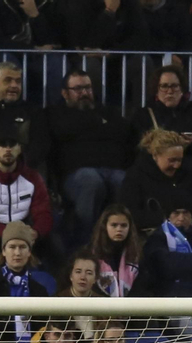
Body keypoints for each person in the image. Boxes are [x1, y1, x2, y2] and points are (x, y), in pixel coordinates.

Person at [49, 68, 132, 239]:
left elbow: (124, 133)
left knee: (124, 180)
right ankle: (83, 244)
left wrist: (88, 126)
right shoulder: (56, 115)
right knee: (91, 181)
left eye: (88, 88)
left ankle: (125, 243)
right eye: (78, 89)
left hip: (114, 170)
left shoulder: (109, 113)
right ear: (65, 93)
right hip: (77, 175)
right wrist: (96, 125)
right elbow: (61, 132)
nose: (84, 93)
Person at [0, 136, 56, 269]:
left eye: (12, 144)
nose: (8, 149)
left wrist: (36, 232)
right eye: (3, 144)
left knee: (55, 244)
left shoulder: (33, 177)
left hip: (26, 228)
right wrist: (9, 233)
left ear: (20, 148)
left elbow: (43, 212)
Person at [117, 129, 192, 238]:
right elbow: (128, 213)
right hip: (150, 236)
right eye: (172, 160)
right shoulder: (136, 176)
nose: (176, 165)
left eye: (179, 160)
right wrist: (165, 219)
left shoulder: (186, 174)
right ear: (155, 156)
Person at [127, 63, 192, 165]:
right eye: (164, 86)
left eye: (174, 86)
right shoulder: (143, 115)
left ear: (182, 89)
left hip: (190, 170)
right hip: (153, 172)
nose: (169, 91)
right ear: (156, 90)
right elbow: (134, 151)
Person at [89, 205, 142, 297]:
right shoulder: (91, 254)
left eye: (123, 225)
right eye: (114, 225)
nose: (119, 229)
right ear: (105, 226)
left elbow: (142, 286)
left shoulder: (137, 254)